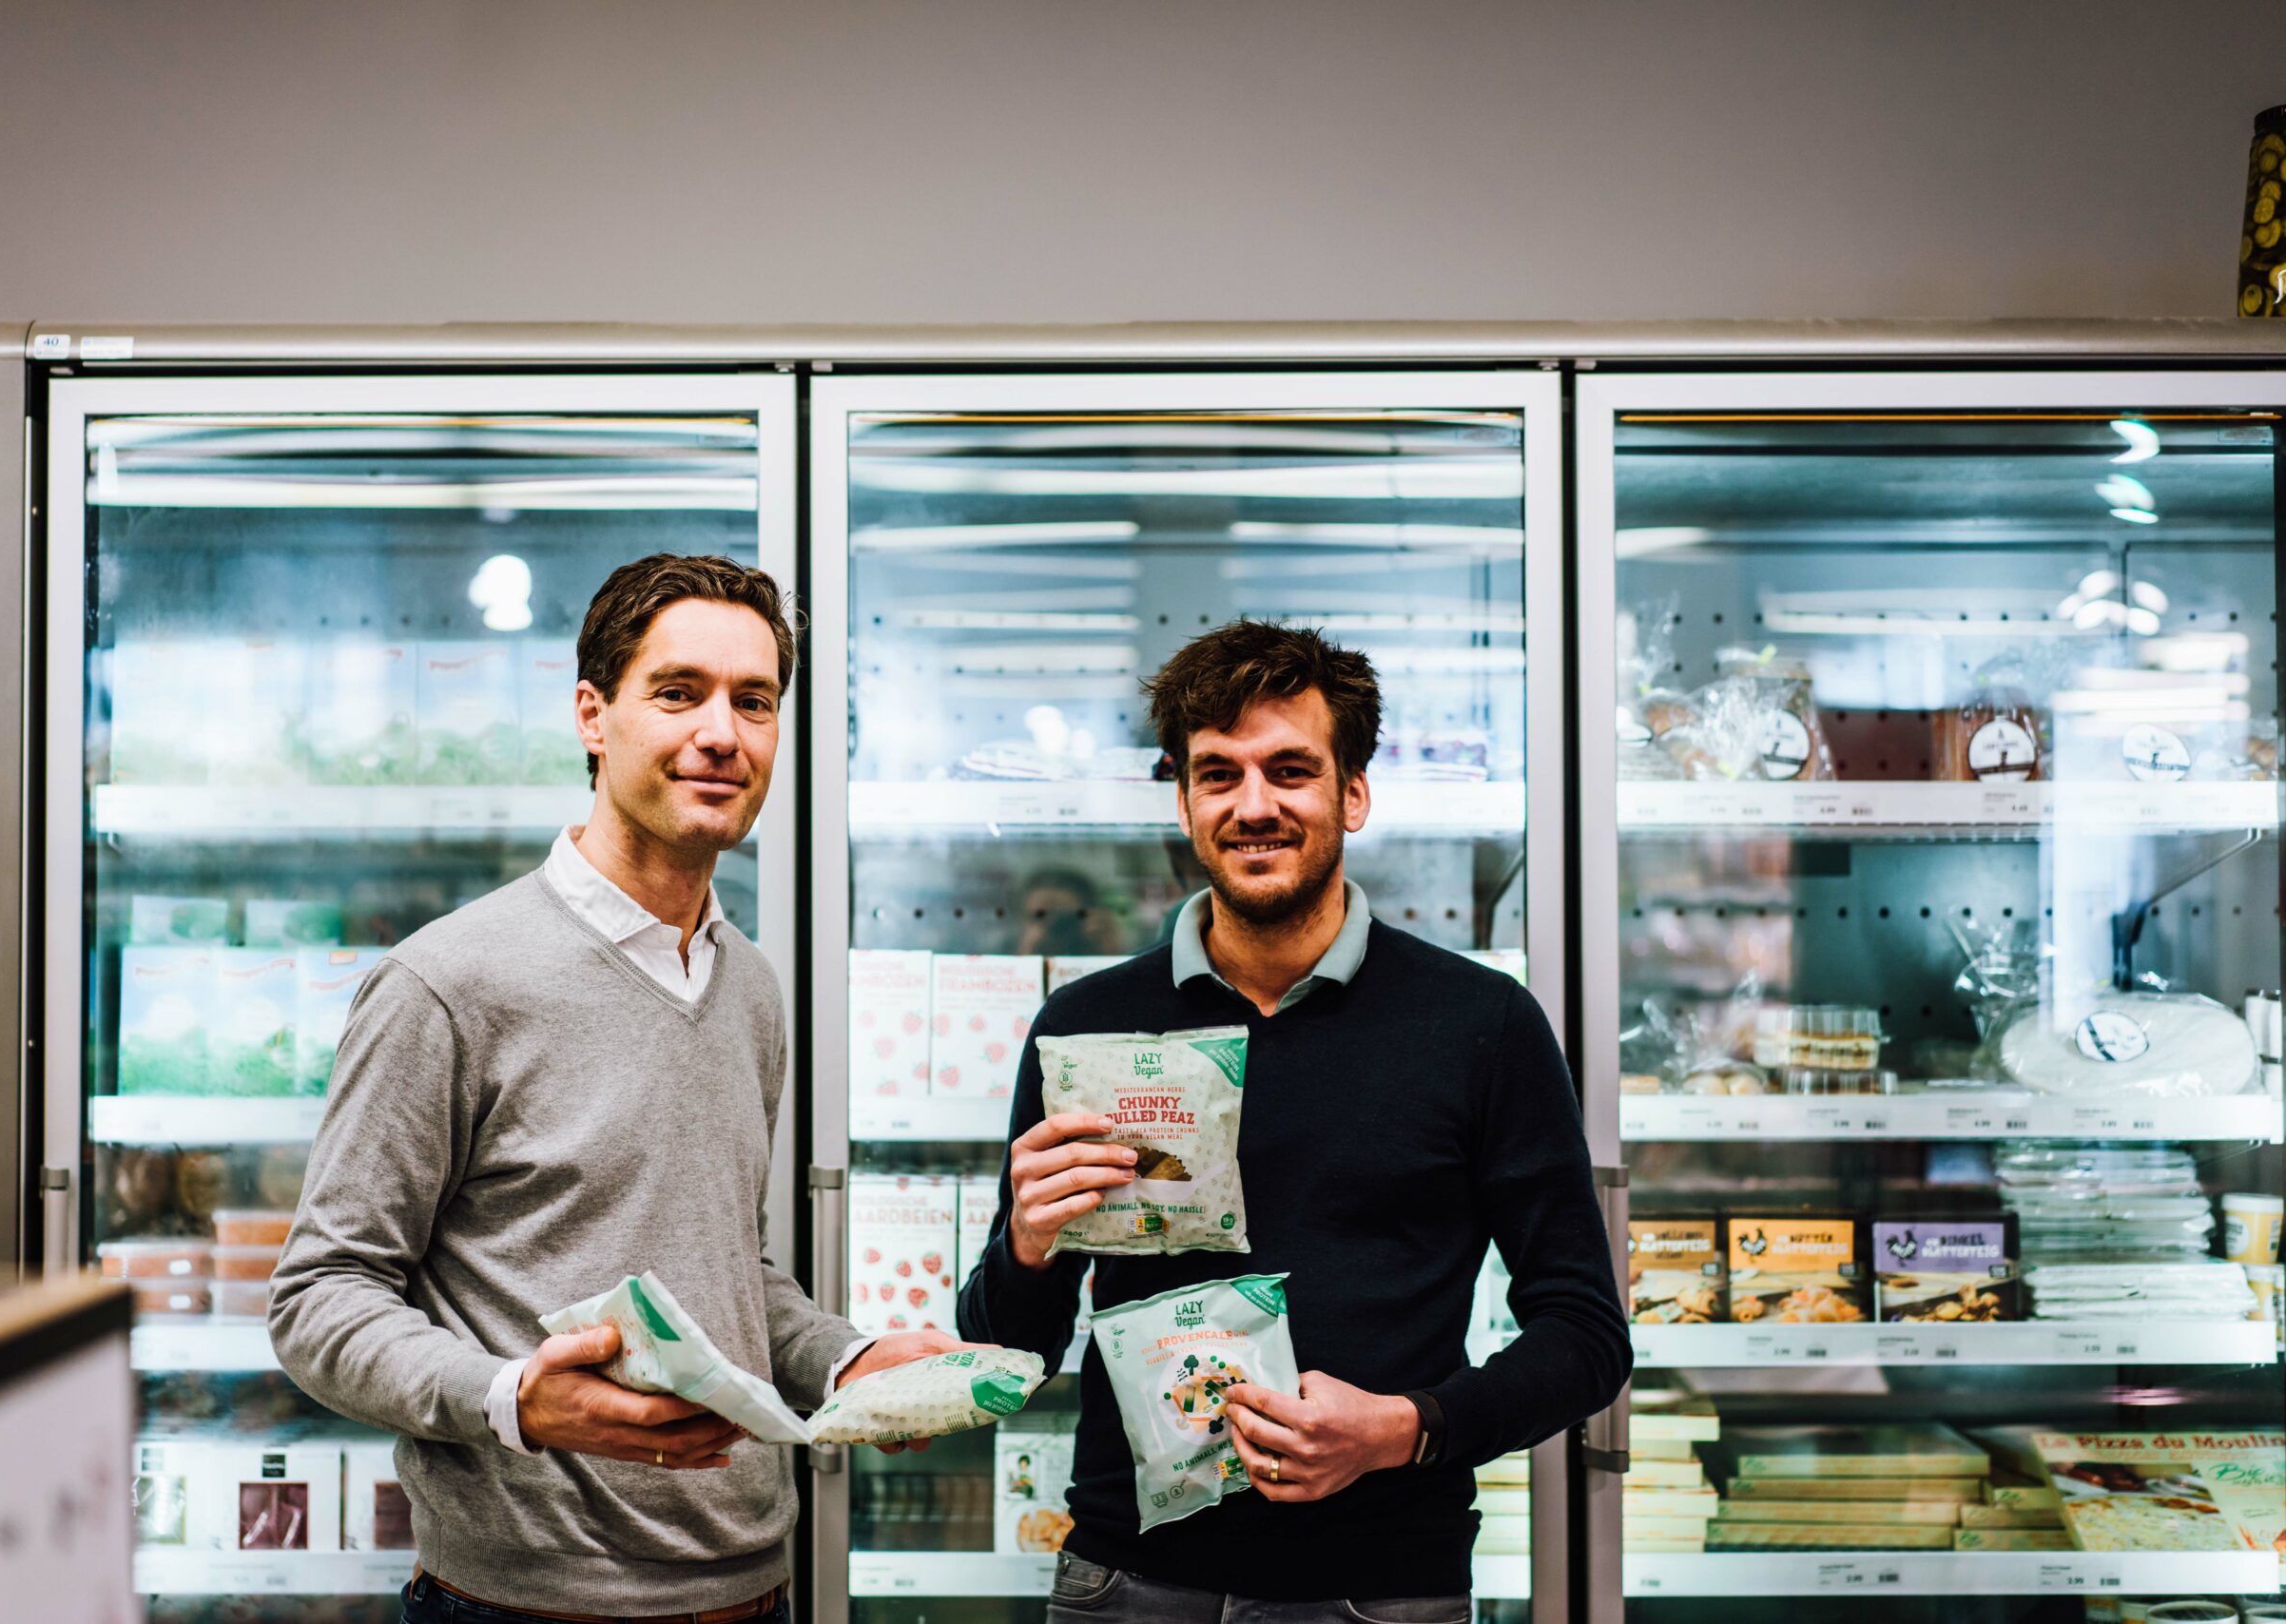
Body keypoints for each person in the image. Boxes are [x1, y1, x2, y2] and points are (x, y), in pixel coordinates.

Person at [273, 553, 966, 1624]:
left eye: (754, 702)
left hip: (751, 1590)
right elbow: (321, 1297)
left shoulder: (748, 986)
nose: (722, 734)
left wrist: (849, 1358)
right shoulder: (448, 982)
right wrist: (514, 1399)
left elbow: (726, 1269)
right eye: (678, 693)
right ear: (594, 716)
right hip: (518, 1607)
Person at [958, 620, 1632, 1620]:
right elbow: (1006, 1352)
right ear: (1184, 803)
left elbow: (1586, 1336)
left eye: (1289, 770)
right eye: (1217, 775)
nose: (1253, 806)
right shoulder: (1086, 1027)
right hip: (1126, 1584)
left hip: (1381, 1590)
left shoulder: (1480, 1023)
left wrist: (1404, 1428)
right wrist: (1026, 1244)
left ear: (1352, 793)